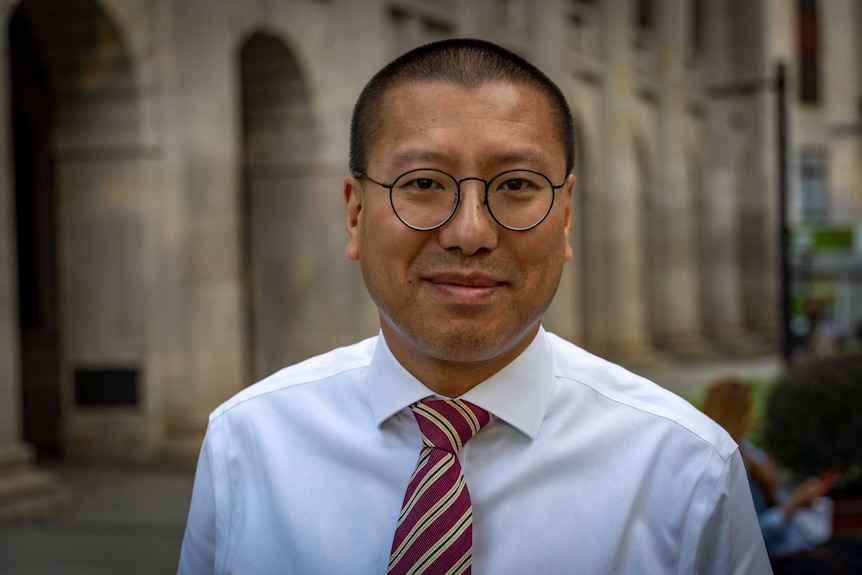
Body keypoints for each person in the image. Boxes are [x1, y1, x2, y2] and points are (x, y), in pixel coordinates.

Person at [177, 38, 770, 574]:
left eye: (515, 186)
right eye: (423, 183)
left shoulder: (687, 470)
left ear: (564, 218)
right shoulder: (247, 442)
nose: (469, 232)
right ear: (355, 214)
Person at [703, 378, 862, 574]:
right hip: (779, 555)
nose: (752, 417)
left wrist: (800, 497)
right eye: (747, 411)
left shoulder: (748, 451)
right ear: (734, 415)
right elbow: (752, 534)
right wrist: (792, 505)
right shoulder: (730, 465)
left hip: (797, 541)